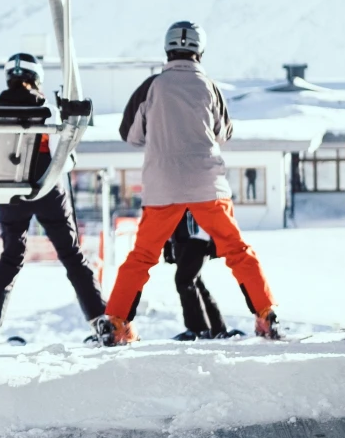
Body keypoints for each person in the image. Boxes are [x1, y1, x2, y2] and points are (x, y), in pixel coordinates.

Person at [100, 21, 280, 346]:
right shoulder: (209, 86)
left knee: (141, 257)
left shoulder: (151, 86)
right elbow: (224, 133)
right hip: (206, 185)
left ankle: (116, 323)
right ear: (200, 50)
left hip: (162, 186)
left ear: (167, 49)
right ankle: (266, 314)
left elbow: (131, 135)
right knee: (238, 250)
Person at [0, 53, 110, 346]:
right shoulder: (49, 109)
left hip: (12, 192)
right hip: (47, 189)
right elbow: (66, 153)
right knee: (72, 255)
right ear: (37, 79)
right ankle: (100, 320)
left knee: (11, 258)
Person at [163, 211, 244, 341]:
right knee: (195, 281)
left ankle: (197, 329)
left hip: (198, 235)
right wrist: (167, 242)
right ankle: (217, 327)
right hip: (180, 237)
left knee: (184, 280)